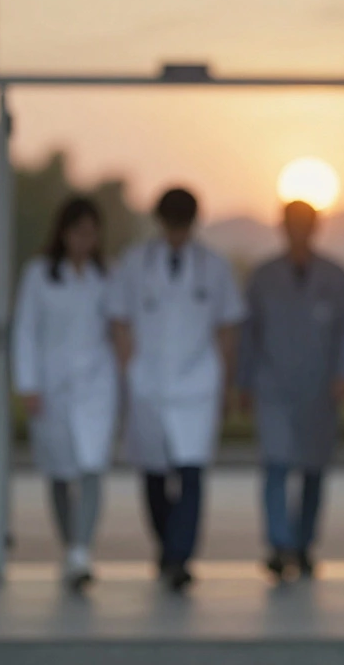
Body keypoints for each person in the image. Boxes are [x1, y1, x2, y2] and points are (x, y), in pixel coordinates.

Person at [106, 186, 246, 592]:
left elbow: (228, 329)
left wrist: (226, 383)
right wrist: (129, 372)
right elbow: (119, 322)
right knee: (152, 472)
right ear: (160, 222)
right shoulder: (134, 264)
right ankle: (168, 547)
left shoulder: (214, 267)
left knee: (191, 470)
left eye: (182, 226)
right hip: (148, 381)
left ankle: (178, 556)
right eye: (171, 225)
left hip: (198, 383)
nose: (177, 234)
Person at [237, 200, 344, 581]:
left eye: (305, 223)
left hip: (319, 387)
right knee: (275, 464)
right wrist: (243, 382)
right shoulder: (263, 277)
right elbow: (248, 335)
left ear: (315, 227)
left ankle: (304, 545)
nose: (298, 230)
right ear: (282, 227)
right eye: (292, 224)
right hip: (273, 383)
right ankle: (279, 545)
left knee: (312, 469)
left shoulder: (337, 277)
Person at [10, 196, 118, 590]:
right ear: (63, 233)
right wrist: (28, 384)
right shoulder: (39, 274)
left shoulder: (106, 275)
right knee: (59, 473)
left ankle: (81, 551)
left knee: (92, 468)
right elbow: (25, 330)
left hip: (96, 387)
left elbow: (117, 330)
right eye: (78, 232)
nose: (85, 241)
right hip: (52, 387)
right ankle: (69, 544)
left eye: (92, 233)